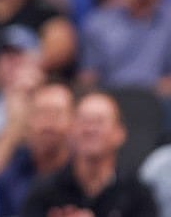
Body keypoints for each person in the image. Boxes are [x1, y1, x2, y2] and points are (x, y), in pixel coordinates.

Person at [21, 92, 158, 216]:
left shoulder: (137, 195)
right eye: (84, 121)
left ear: (119, 133)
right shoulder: (45, 191)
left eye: (99, 122)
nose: (90, 130)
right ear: (71, 130)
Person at [0, 83, 74, 217]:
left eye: (56, 114)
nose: (48, 123)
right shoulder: (14, 166)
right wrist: (13, 126)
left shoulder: (82, 171)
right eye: (41, 113)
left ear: (73, 120)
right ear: (28, 120)